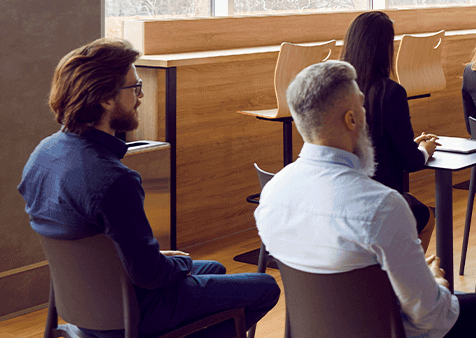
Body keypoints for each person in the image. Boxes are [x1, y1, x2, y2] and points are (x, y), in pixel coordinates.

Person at [255, 61, 476, 338]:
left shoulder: (272, 193)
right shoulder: (380, 206)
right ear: (351, 119)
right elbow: (431, 319)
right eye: (361, 104)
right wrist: (436, 283)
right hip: (392, 330)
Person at [18, 38, 280, 338]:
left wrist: (176, 262)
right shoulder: (114, 179)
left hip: (81, 305)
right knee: (264, 288)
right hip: (131, 313)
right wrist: (179, 261)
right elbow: (149, 274)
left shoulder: (43, 154)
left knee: (214, 269)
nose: (140, 97)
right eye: (135, 87)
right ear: (105, 98)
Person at [341, 11, 438, 251]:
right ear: (385, 48)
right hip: (381, 202)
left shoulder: (338, 90)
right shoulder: (390, 92)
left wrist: (408, 142)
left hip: (344, 201)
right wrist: (424, 150)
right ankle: (404, 283)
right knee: (427, 217)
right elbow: (410, 161)